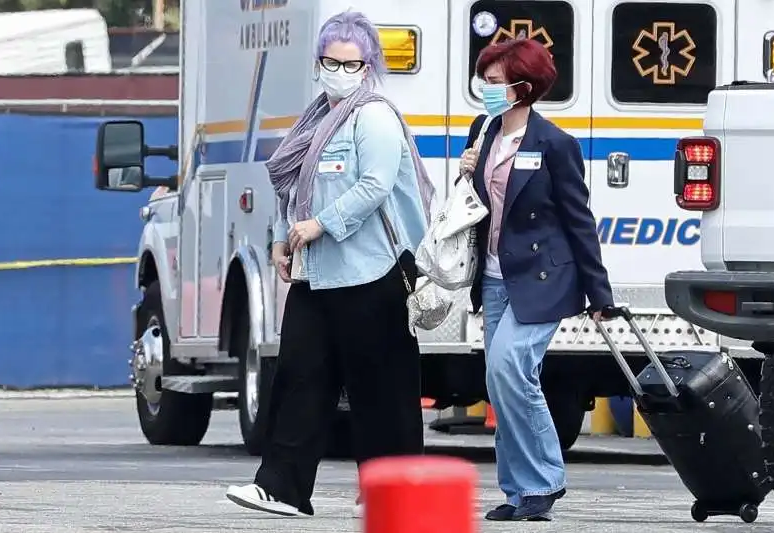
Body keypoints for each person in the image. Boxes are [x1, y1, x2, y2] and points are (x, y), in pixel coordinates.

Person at [225, 10, 434, 519]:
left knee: (381, 394)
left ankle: (396, 495)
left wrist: (320, 226)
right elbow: (293, 187)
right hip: (317, 277)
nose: (339, 70)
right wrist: (281, 239)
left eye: (351, 63)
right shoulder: (315, 119)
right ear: (318, 61)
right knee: (298, 379)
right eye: (330, 61)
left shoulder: (375, 116)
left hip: (372, 275)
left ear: (368, 66)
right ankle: (281, 487)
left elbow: (375, 185)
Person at [459, 38, 614, 521]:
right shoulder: (482, 131)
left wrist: (598, 292)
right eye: (483, 78)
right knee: (498, 379)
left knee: (510, 368)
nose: (484, 88)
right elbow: (474, 206)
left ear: (523, 88)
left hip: (543, 278)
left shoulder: (555, 145)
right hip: (491, 277)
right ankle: (518, 491)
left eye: (493, 81)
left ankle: (545, 479)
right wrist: (467, 172)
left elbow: (578, 220)